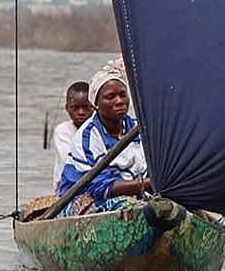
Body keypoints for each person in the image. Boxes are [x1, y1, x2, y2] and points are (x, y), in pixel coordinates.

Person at [58, 59, 151, 214]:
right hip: (87, 199)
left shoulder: (138, 129)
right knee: (129, 207)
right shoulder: (87, 137)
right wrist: (146, 184)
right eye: (111, 97)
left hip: (135, 194)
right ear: (96, 104)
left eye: (123, 95)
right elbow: (100, 187)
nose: (119, 101)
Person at [52, 82, 94, 191]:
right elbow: (70, 160)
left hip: (93, 182)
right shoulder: (63, 131)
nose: (81, 113)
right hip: (67, 187)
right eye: (75, 108)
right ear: (67, 108)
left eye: (86, 108)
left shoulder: (97, 129)